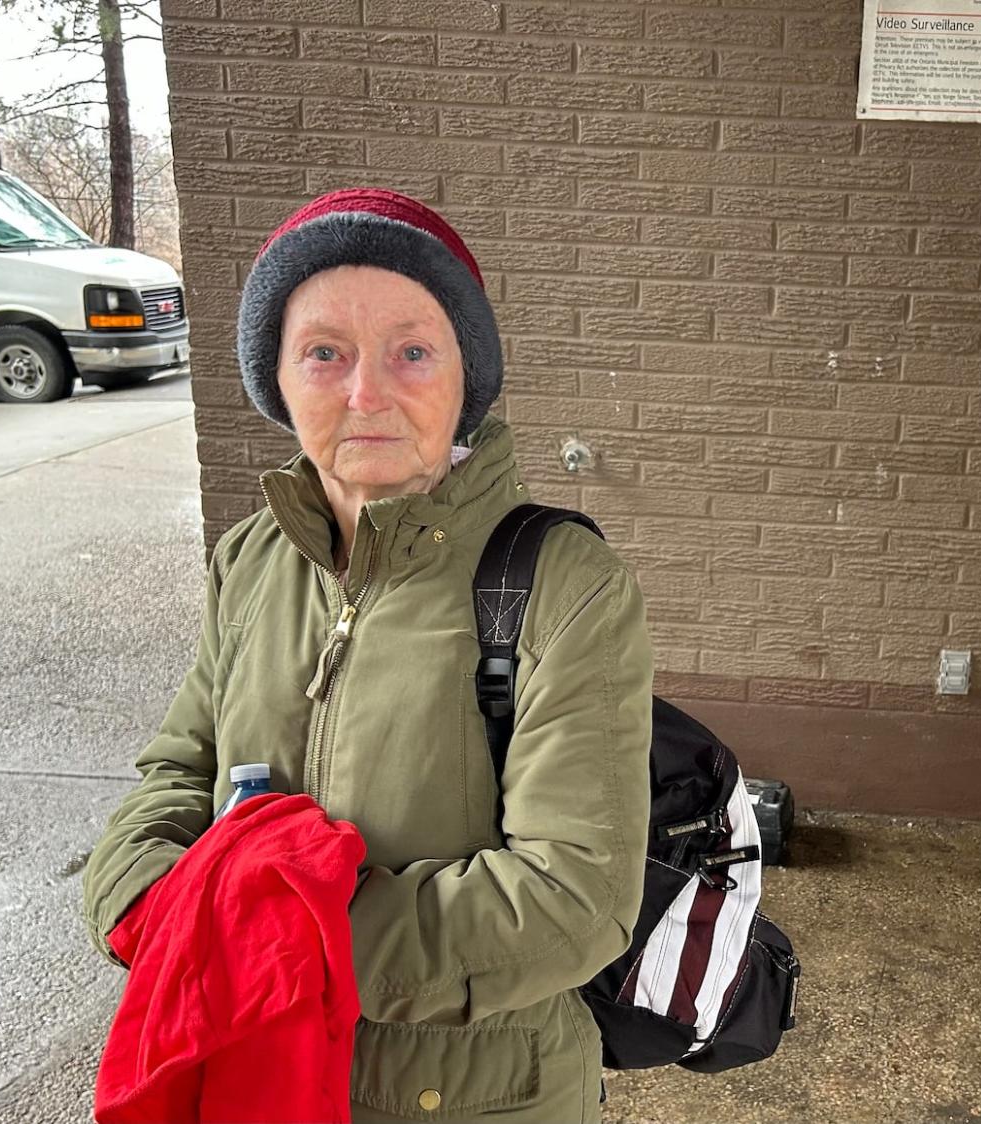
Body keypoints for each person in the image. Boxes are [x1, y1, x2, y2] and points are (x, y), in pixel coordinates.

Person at [83, 188, 654, 1124]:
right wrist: (140, 903)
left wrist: (266, 943)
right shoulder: (251, 559)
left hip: (469, 1095)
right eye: (325, 353)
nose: (366, 393)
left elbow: (574, 896)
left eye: (412, 351)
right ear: (278, 378)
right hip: (240, 1068)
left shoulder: (564, 584)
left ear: (467, 376)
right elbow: (176, 776)